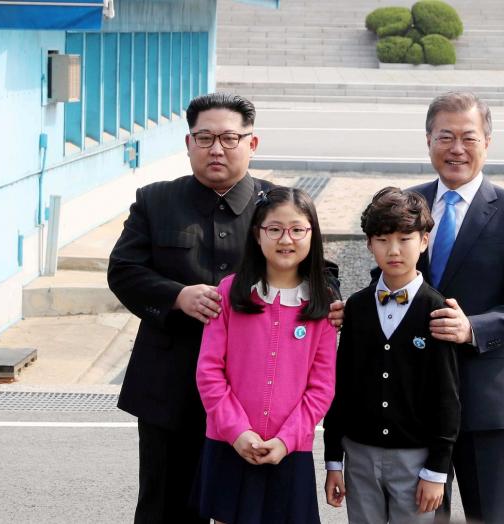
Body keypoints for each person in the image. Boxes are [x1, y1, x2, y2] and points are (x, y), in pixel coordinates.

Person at [107, 93, 342, 523]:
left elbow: (321, 272)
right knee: (165, 507)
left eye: (230, 138)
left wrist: (330, 305)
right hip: (169, 388)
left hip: (255, 401)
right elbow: (123, 271)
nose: (217, 148)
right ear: (189, 142)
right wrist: (177, 296)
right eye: (206, 137)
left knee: (249, 511)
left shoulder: (277, 205)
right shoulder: (156, 200)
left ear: (252, 144)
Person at [410, 92, 504, 524]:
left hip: (487, 399)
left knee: (489, 517)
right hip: (414, 397)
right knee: (418, 516)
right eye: (445, 137)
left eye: (468, 137)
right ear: (428, 141)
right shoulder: (407, 204)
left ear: (487, 142)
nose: (456, 148)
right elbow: (386, 283)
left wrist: (472, 327)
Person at [193, 186, 337, 524]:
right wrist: (238, 432)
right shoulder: (230, 292)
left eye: (297, 229)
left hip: (289, 451)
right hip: (230, 444)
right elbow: (209, 371)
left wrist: (286, 441)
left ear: (311, 235)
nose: (286, 239)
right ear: (257, 234)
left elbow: (321, 388)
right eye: (274, 229)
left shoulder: (322, 302)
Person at [323, 187, 460, 524]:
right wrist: (333, 461)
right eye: (382, 239)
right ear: (369, 244)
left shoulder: (437, 309)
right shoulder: (355, 306)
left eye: (405, 238)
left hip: (416, 457)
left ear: (424, 241)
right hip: (359, 452)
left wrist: (437, 470)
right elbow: (343, 385)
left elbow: (447, 395)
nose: (394, 250)